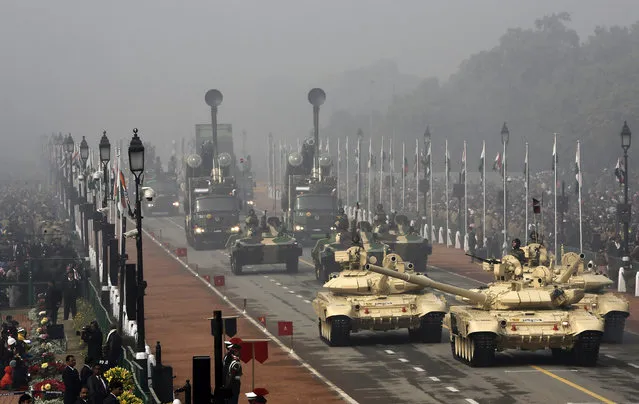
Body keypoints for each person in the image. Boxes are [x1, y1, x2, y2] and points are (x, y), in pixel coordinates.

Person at [223, 338, 243, 404]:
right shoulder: (235, 361)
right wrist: (227, 387)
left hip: (227, 383)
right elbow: (231, 375)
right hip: (233, 385)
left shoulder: (227, 356)